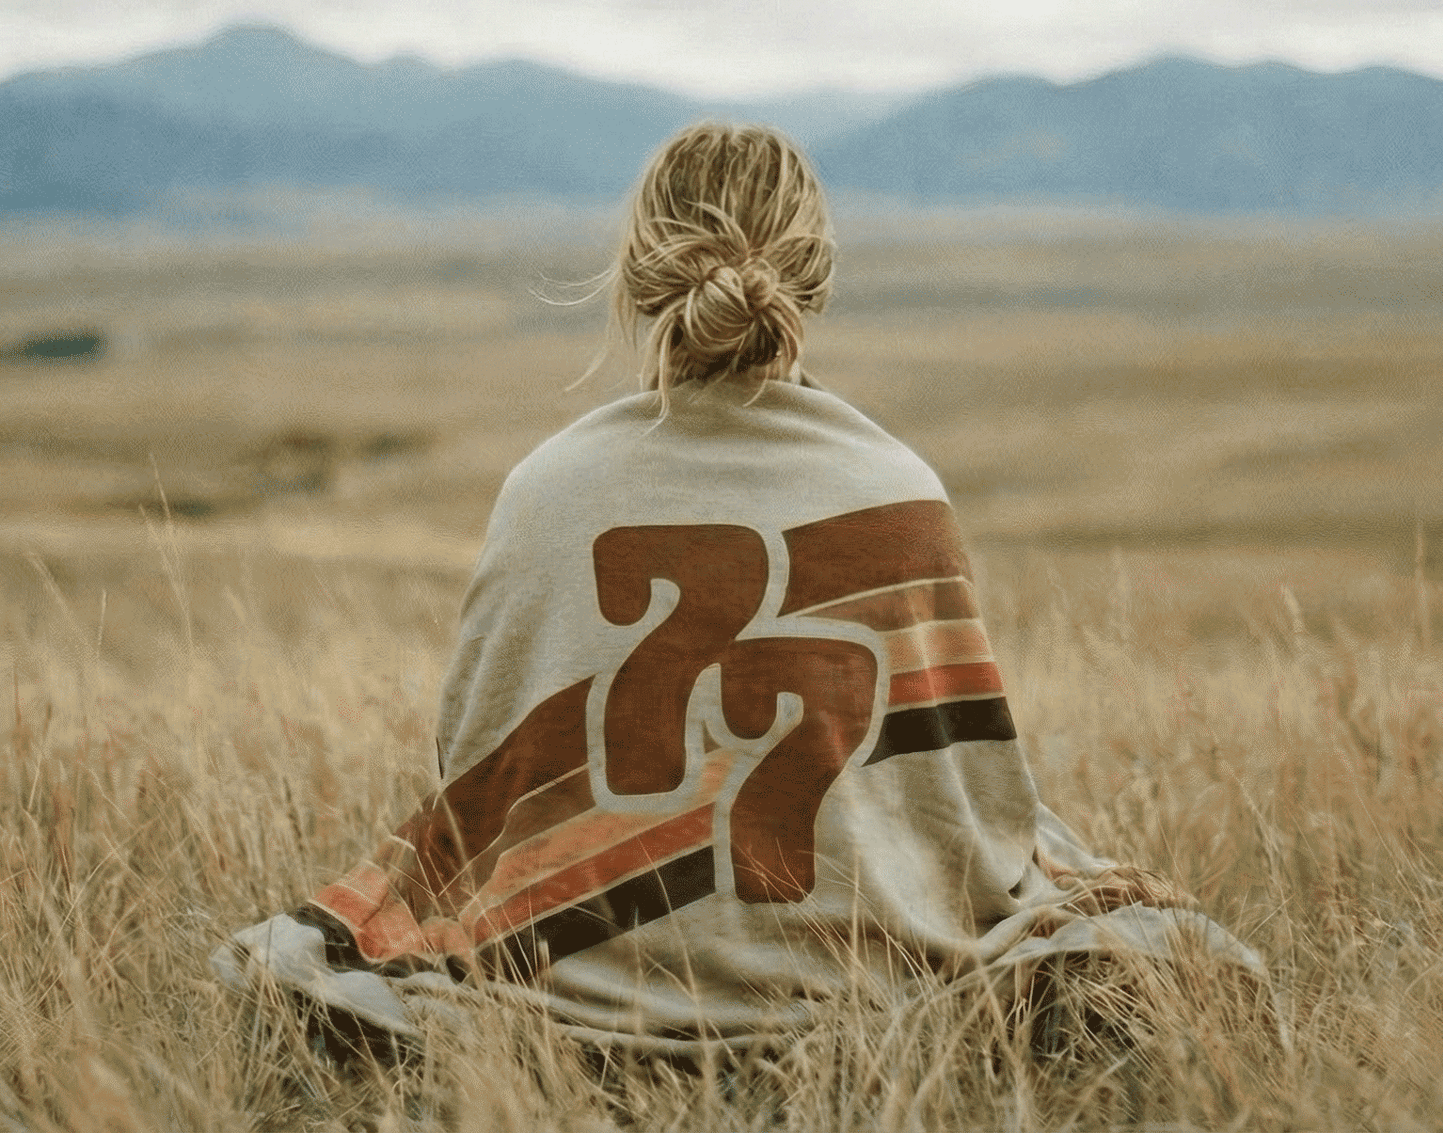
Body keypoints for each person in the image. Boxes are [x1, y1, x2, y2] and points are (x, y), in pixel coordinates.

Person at [214, 123, 1266, 1062]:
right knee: (1082, 873)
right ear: (813, 277)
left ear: (635, 276)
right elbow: (961, 808)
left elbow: (470, 781)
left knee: (287, 956)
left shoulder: (541, 489)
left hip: (577, 1004)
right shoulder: (899, 487)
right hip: (875, 1006)